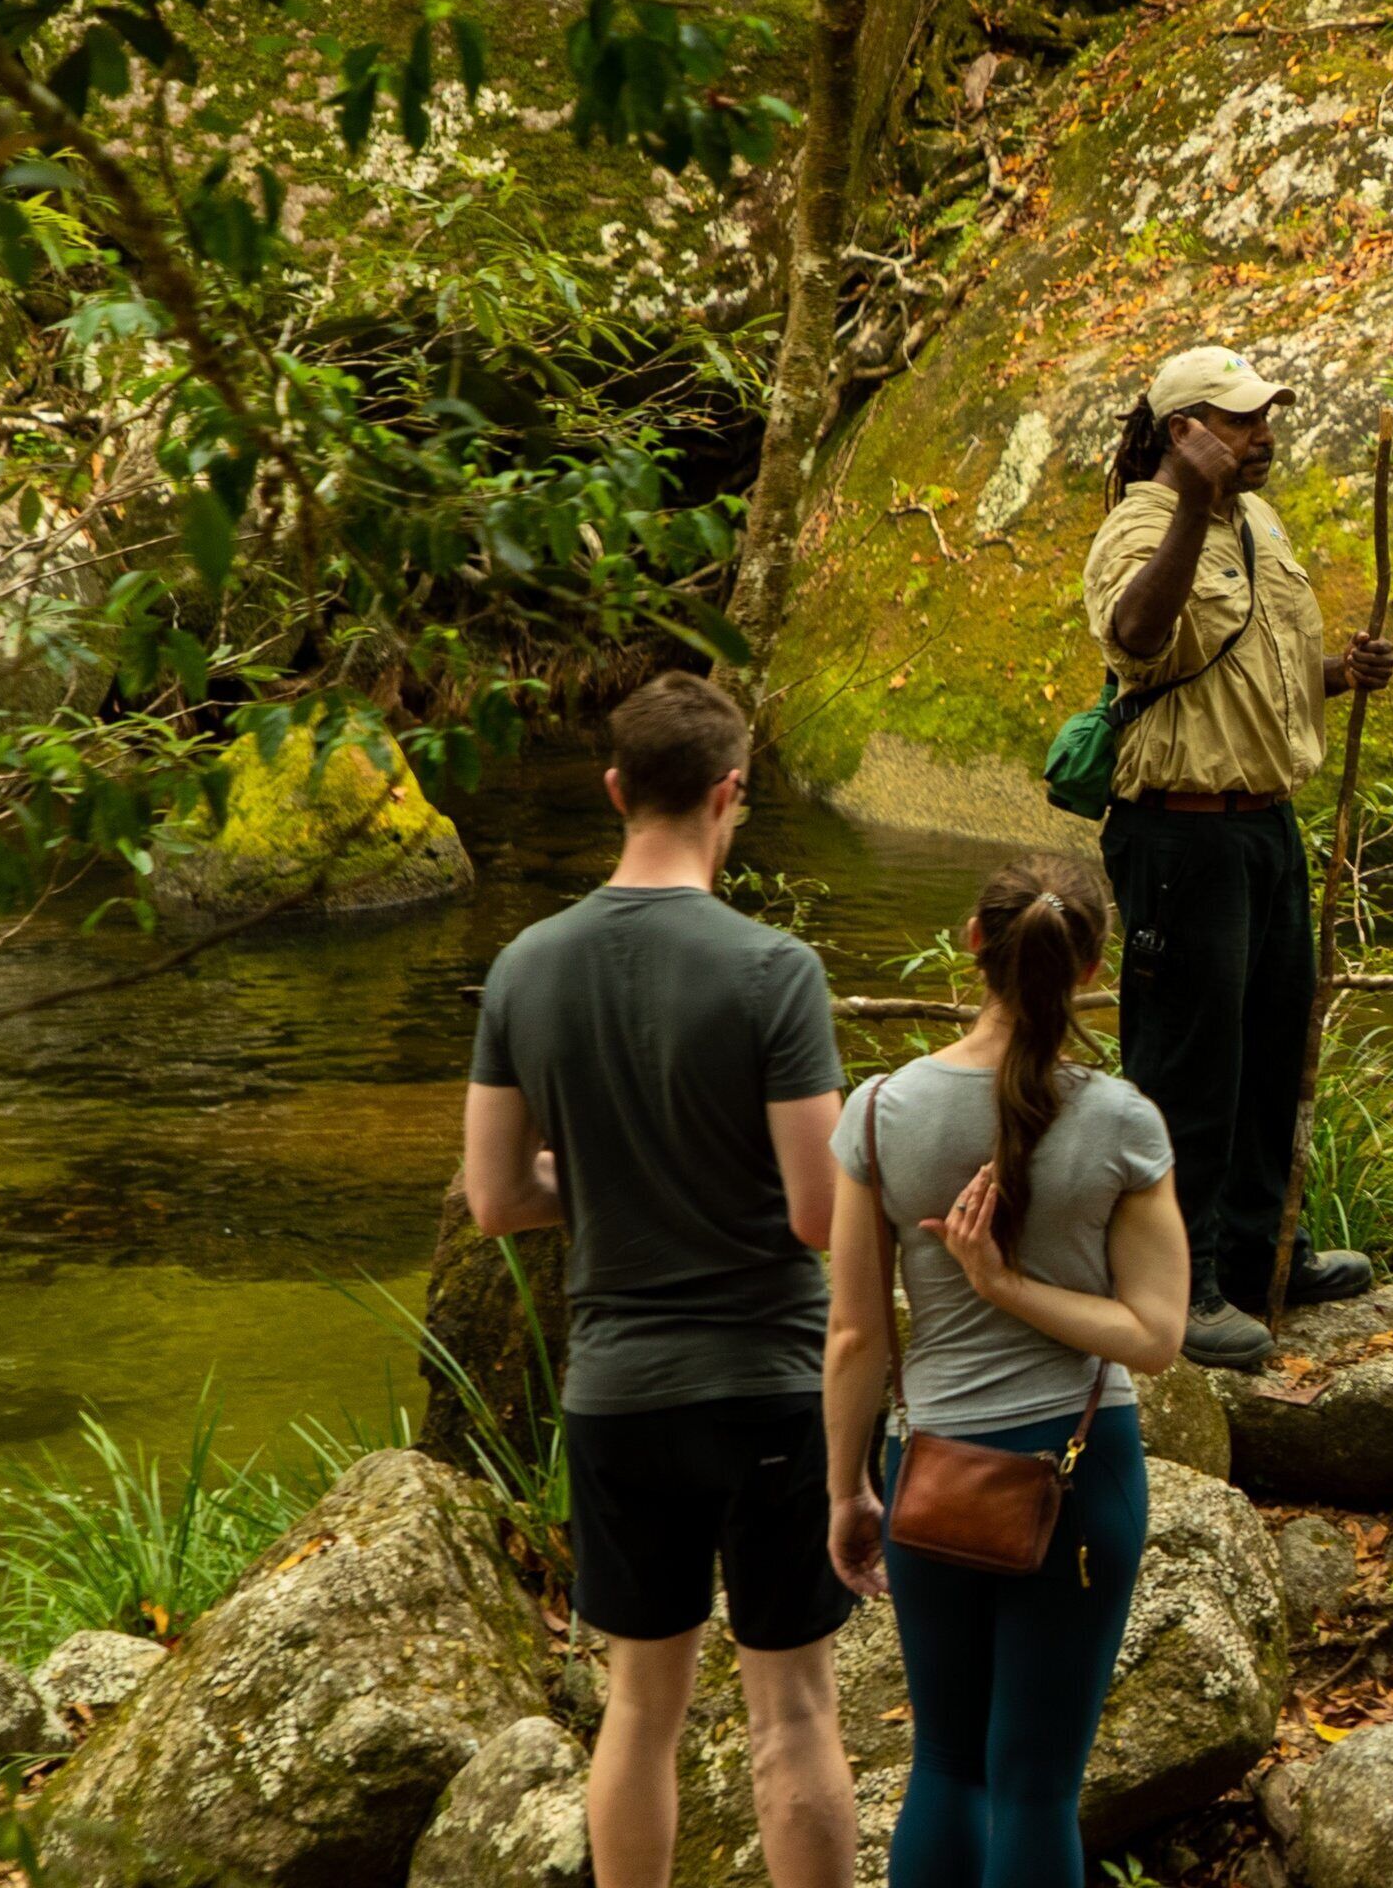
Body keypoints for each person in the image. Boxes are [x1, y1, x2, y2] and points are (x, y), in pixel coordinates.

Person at [460, 672, 857, 1888]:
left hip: (619, 1392)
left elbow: (495, 1199)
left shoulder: (527, 966)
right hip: (768, 1385)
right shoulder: (772, 970)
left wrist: (611, 1179)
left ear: (616, 788)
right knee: (793, 1709)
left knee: (641, 1711)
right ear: (730, 794)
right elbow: (816, 1213)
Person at [822, 857, 1189, 1888]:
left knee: (945, 1763)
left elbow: (855, 1335)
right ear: (1091, 967)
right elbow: (1155, 1334)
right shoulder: (1122, 1119)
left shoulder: (882, 1110)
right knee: (1035, 1788)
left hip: (931, 1472)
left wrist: (847, 1488)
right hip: (1080, 1471)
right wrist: (1016, 1287)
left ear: (972, 943)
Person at [1082, 343, 1393, 1369]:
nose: (1265, 435)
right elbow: (1138, 635)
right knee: (1188, 1066)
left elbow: (1256, 676)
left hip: (1264, 827)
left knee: (1270, 1048)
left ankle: (1269, 1250)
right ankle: (1184, 1282)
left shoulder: (1261, 524)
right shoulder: (1137, 525)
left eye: (1267, 417)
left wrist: (1340, 674)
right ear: (1184, 432)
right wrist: (1188, 511)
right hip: (1181, 833)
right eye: (1240, 419)